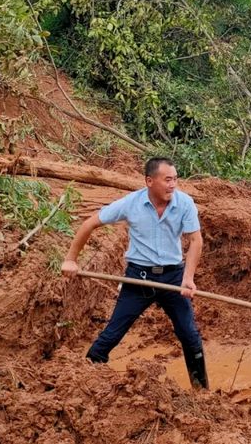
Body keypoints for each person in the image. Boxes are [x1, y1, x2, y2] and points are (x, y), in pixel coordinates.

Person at [61, 157, 208, 389]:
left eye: (175, 179)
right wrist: (70, 260)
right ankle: (84, 381)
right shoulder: (131, 203)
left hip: (173, 277)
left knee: (189, 335)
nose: (173, 185)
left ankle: (202, 392)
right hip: (139, 278)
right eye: (167, 180)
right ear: (150, 181)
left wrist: (187, 278)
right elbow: (89, 224)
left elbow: (196, 241)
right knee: (112, 333)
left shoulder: (185, 203)